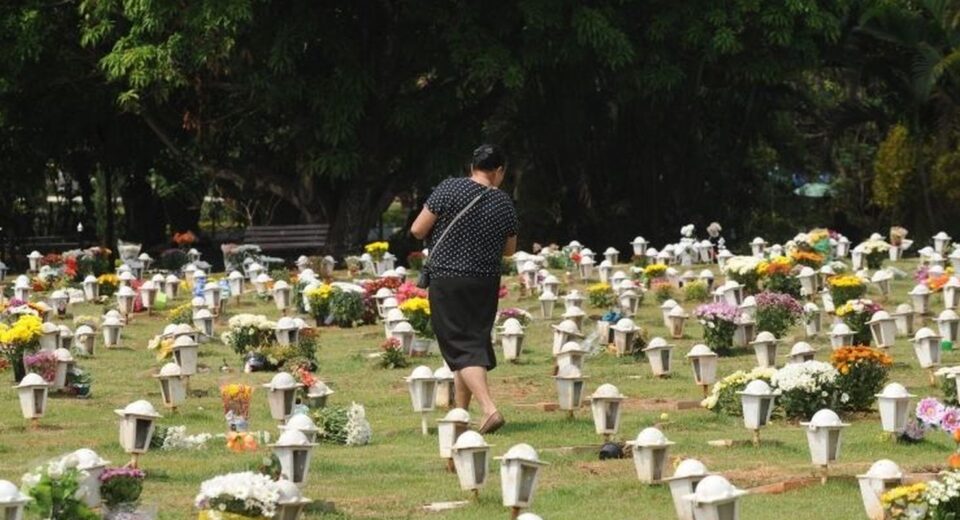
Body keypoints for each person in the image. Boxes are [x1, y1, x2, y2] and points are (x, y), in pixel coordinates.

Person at [410, 144, 518, 434]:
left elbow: (418, 229)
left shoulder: (449, 188)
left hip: (449, 278)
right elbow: (509, 249)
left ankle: (489, 409)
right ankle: (461, 414)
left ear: (473, 166)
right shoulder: (504, 202)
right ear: (499, 171)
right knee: (471, 343)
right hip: (484, 282)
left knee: (460, 346)